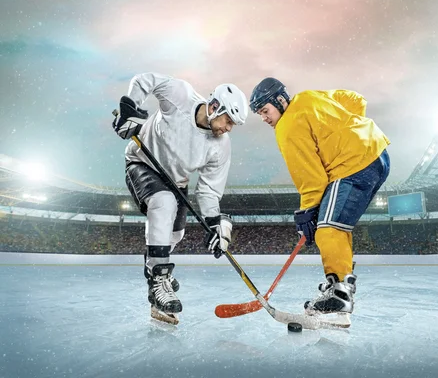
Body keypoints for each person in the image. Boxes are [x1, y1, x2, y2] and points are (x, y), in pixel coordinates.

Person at [249, 78, 390, 326]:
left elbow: (311, 178)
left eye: (265, 111)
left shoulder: (287, 127)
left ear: (280, 101)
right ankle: (341, 286)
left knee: (327, 230)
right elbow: (356, 100)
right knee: (338, 227)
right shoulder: (309, 96)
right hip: (377, 153)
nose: (264, 118)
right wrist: (351, 130)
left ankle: (339, 299)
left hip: (352, 164)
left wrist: (307, 212)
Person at [112, 72, 248, 323]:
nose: (229, 129)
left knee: (175, 235)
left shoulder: (221, 146)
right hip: (142, 162)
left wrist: (214, 222)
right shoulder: (180, 95)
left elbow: (208, 189)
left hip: (177, 180)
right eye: (228, 121)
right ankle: (158, 280)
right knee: (163, 202)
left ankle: (153, 263)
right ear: (215, 106)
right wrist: (129, 108)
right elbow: (145, 80)